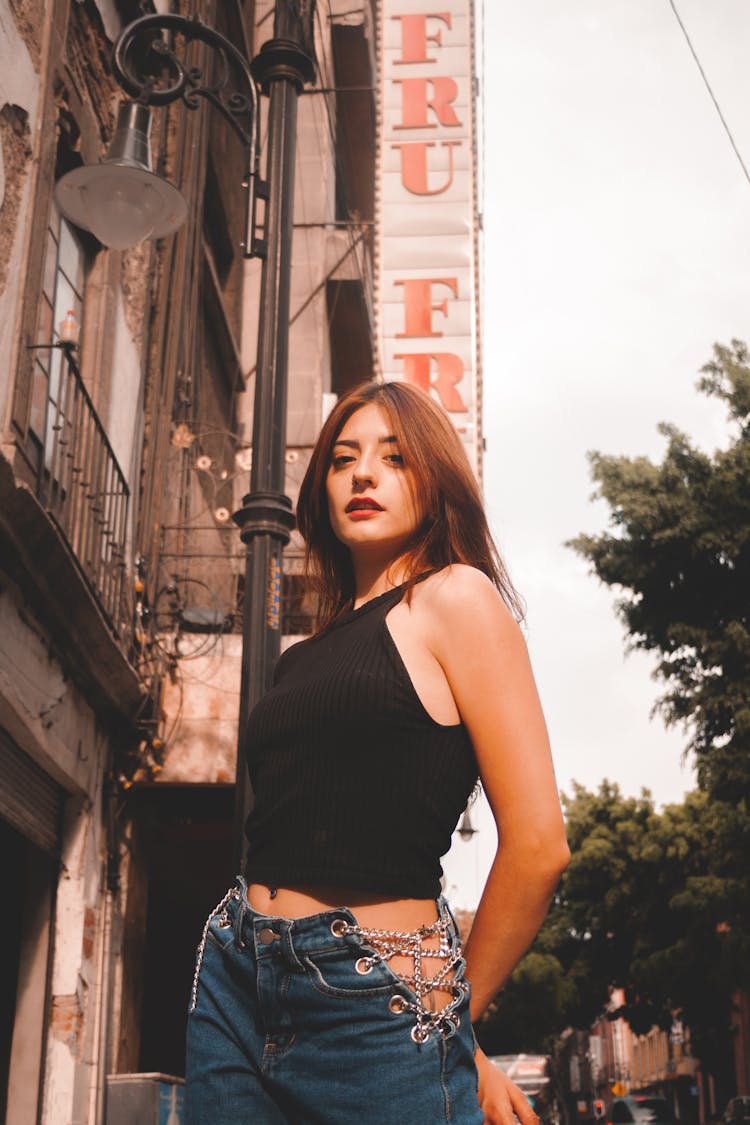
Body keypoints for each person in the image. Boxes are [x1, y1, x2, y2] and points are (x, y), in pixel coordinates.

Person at [185, 380, 570, 1124]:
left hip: (370, 1004)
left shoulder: (456, 600)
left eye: (394, 457)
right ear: (321, 487)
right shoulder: (302, 657)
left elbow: (539, 846)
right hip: (235, 977)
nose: (362, 473)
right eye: (342, 458)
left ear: (436, 479)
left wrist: (453, 1024)